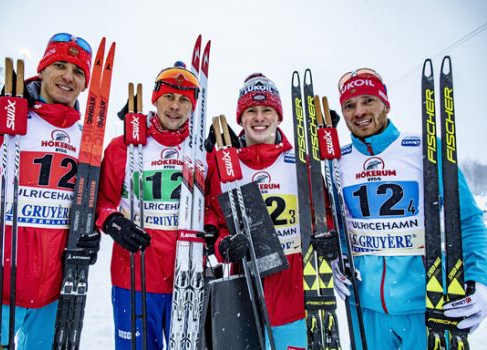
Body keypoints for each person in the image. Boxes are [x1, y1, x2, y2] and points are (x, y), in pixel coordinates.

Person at [0, 33, 102, 349]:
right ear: (42, 70)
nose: (68, 76)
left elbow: (87, 207)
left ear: (84, 84)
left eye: (78, 72)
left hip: (54, 294)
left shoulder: (87, 142)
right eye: (59, 65)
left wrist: (90, 235)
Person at [333, 68, 487, 349]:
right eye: (349, 105)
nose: (359, 111)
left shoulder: (423, 149)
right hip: (364, 309)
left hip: (427, 303)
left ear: (386, 104)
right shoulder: (339, 162)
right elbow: (341, 228)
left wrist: (481, 280)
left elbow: (468, 221)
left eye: (368, 100)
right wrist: (337, 260)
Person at [95, 61, 200, 349]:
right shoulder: (122, 147)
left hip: (188, 278)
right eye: (168, 97)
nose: (175, 106)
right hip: (134, 275)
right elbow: (101, 201)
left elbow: (213, 210)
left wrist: (214, 234)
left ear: (192, 107)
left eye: (183, 100)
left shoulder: (202, 150)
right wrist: (113, 222)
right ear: (155, 99)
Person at [204, 73, 307, 349]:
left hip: (292, 299)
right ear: (241, 118)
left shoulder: (299, 162)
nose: (259, 118)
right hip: (243, 295)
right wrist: (222, 245)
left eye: (267, 110)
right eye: (251, 111)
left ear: (278, 116)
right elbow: (212, 218)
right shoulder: (224, 164)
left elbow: (322, 217)